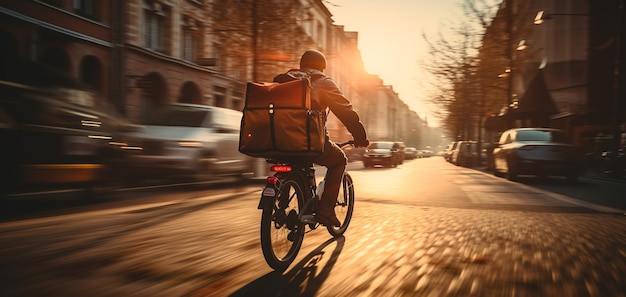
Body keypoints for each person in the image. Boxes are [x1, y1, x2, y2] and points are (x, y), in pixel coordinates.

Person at [274, 49, 369, 227]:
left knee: (296, 163)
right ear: (322, 68)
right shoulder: (323, 82)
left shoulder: (284, 79)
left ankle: (280, 205)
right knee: (339, 159)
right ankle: (325, 210)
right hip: (308, 142)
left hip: (278, 140)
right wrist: (360, 136)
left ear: (302, 65)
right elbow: (345, 111)